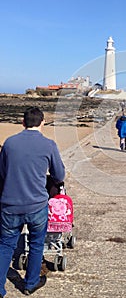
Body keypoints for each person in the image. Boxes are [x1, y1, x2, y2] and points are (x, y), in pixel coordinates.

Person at [0, 107, 65, 297]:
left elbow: (2, 172)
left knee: (5, 245)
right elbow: (59, 175)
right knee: (36, 243)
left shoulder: (10, 143)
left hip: (10, 204)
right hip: (37, 205)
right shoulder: (49, 145)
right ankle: (30, 283)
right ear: (42, 123)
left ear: (23, 122)